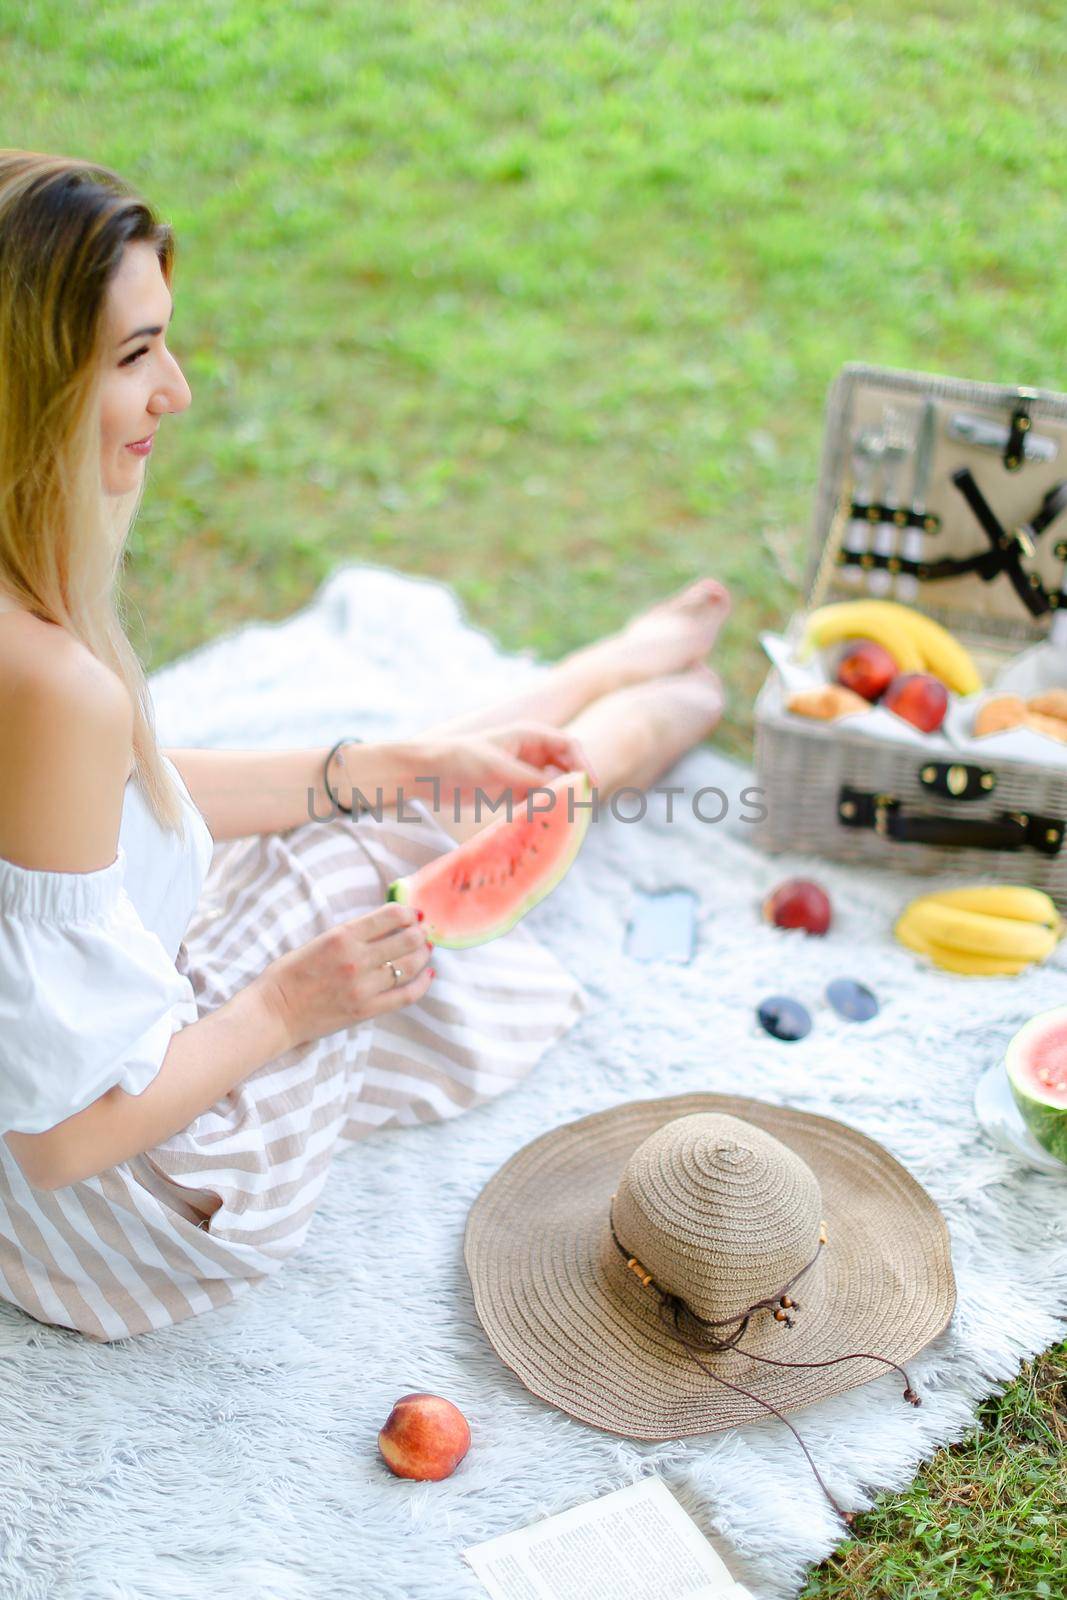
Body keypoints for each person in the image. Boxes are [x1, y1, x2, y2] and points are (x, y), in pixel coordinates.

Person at [0, 151, 730, 1342]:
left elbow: (120, 809)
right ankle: (631, 724)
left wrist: (380, 764)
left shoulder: (36, 660)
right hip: (123, 1202)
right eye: (135, 356)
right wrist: (296, 1002)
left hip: (74, 1045)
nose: (175, 391)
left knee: (363, 797)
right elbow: (64, 1136)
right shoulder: (49, 687)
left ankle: (604, 680)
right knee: (360, 866)